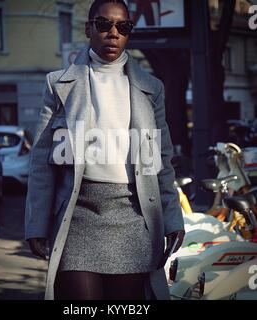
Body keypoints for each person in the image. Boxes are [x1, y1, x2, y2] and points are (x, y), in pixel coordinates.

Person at [25, 0, 185, 300]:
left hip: (132, 221)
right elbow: (41, 163)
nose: (113, 33)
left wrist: (173, 218)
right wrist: (36, 224)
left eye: (123, 27)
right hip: (77, 218)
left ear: (129, 33)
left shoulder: (151, 88)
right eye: (104, 24)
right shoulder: (59, 85)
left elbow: (161, 162)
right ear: (89, 28)